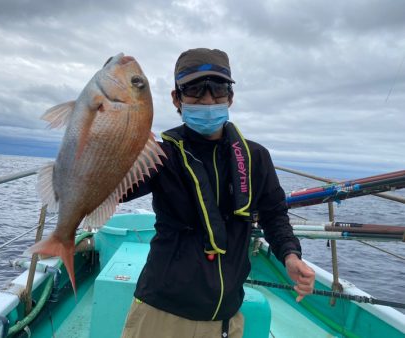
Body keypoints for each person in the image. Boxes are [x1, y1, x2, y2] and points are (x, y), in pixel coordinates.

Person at [120, 48, 315, 338]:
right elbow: (114, 191)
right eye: (195, 90)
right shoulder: (160, 155)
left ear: (230, 97)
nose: (208, 99)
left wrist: (290, 255)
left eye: (219, 88)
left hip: (226, 319)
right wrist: (121, 145)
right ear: (177, 98)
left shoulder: (256, 157)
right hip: (161, 311)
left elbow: (274, 215)